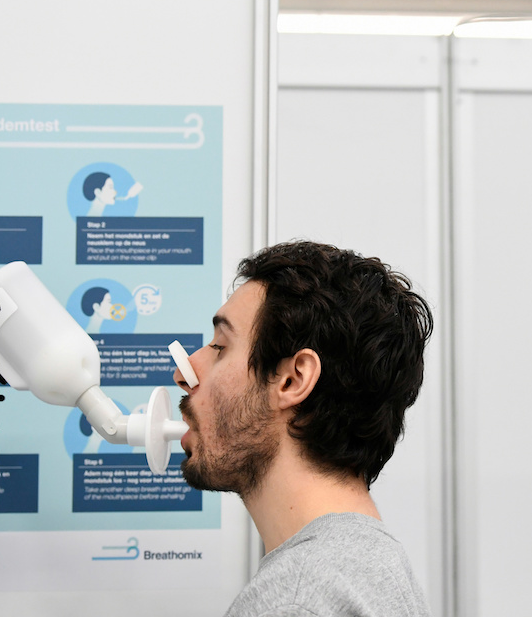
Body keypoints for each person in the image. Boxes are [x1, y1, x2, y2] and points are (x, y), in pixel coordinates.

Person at [174, 241, 433, 617]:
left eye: (219, 346)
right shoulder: (372, 566)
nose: (184, 375)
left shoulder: (295, 600)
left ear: (293, 380)